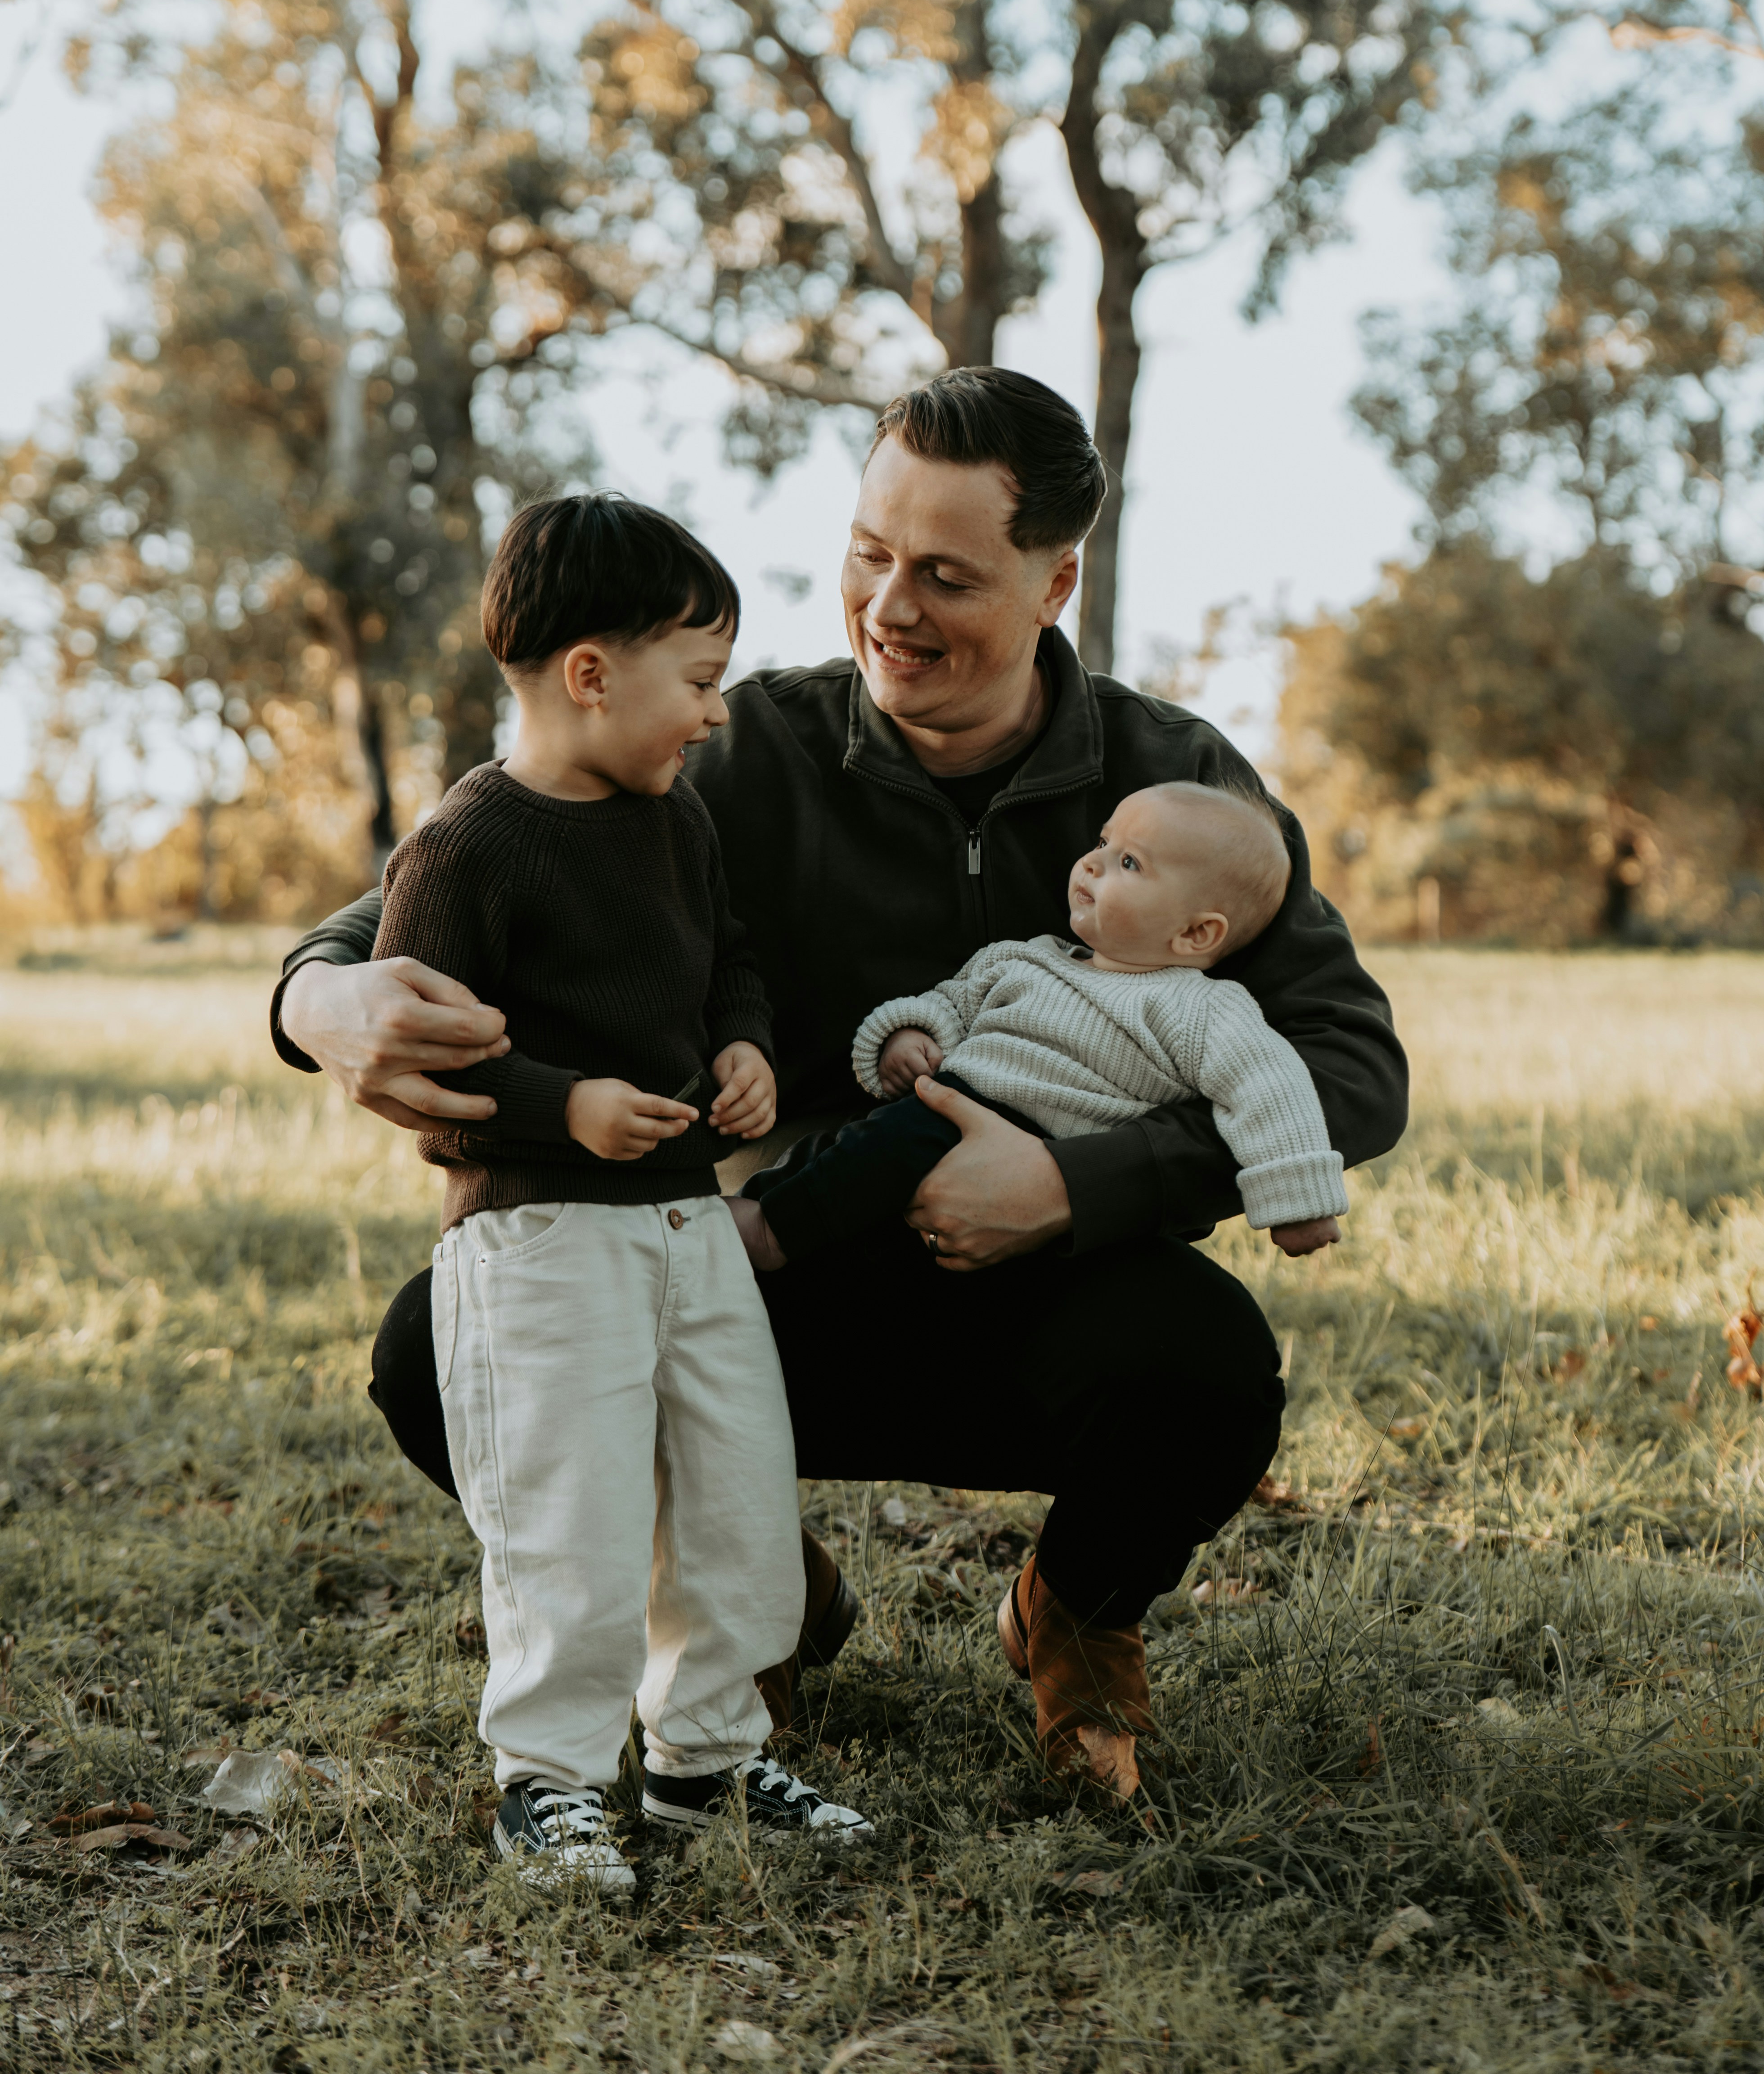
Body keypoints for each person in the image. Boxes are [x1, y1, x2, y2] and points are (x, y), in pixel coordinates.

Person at [273, 368, 1408, 1797]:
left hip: (1055, 1291)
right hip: (758, 1272)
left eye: (945, 574)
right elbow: (432, 879)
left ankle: (1076, 1609)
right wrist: (320, 997)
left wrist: (1076, 1183)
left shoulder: (1173, 783)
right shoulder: (725, 748)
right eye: (870, 554)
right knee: (440, 1351)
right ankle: (760, 1601)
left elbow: (1349, 1061)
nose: (889, 606)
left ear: (1057, 580)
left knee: (1210, 1370)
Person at [372, 492, 870, 1890]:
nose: (715, 715)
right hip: (535, 1241)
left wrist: (745, 1044)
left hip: (688, 1224)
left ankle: (707, 1757)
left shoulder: (678, 826)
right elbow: (433, 1081)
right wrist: (566, 1104)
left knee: (734, 1500)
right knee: (568, 1522)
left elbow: (731, 962)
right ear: (591, 674)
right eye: (698, 683)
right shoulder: (465, 850)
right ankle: (548, 1782)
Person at [730, 778, 1349, 1275]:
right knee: (846, 1150)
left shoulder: (1200, 1009)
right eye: (1103, 843)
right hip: (943, 1109)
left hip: (1045, 1146)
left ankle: (770, 1235)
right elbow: (954, 1004)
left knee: (888, 1147)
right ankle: (754, 1209)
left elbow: (1270, 1089)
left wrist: (1299, 1203)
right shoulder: (1026, 958)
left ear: (1195, 933)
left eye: (1128, 863)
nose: (1092, 865)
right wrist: (911, 1036)